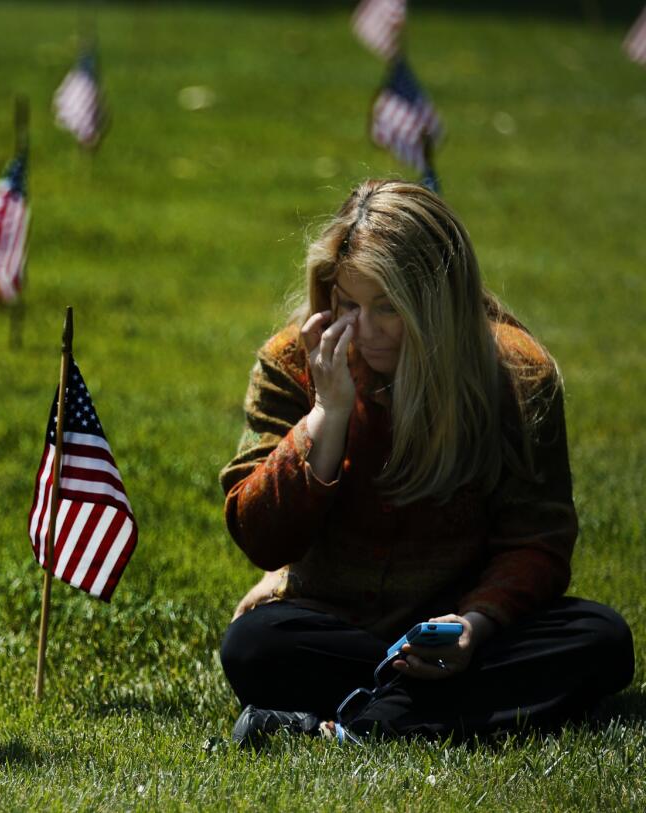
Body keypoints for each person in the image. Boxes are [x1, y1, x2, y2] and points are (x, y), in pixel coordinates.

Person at [218, 180, 634, 745]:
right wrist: (327, 414)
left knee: (600, 640)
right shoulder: (293, 361)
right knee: (254, 646)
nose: (364, 329)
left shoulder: (516, 376)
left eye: (389, 307)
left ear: (438, 302)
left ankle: (338, 726)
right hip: (336, 624)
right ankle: (414, 715)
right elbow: (261, 536)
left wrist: (473, 625)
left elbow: (537, 540)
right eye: (348, 303)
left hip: (457, 627)